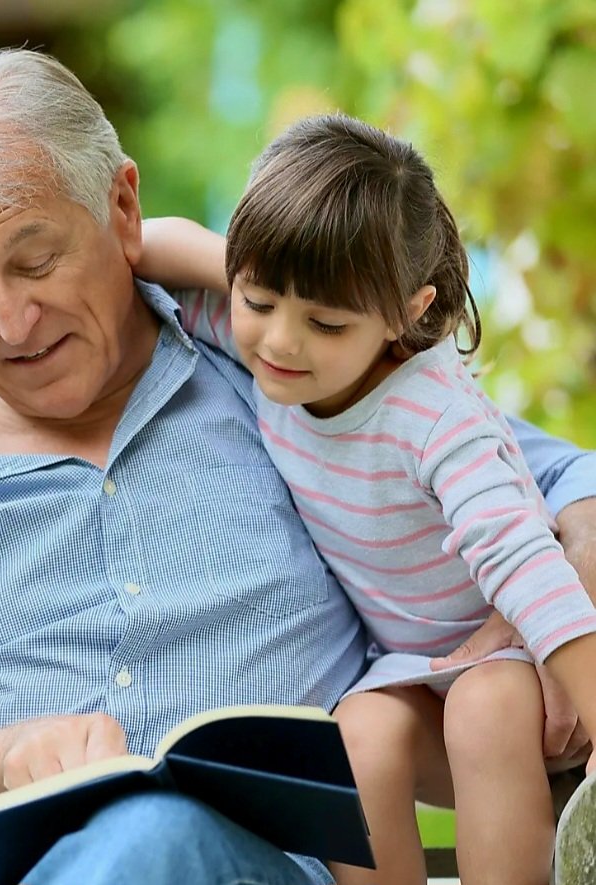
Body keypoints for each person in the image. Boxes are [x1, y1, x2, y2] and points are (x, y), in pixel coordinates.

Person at [0, 49, 596, 885]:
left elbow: (554, 481)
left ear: (124, 208)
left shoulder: (278, 375)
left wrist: (527, 621)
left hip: (249, 864)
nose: (10, 322)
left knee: (156, 837)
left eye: (36, 261)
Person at [130, 113, 596, 885]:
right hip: (415, 670)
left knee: (485, 707)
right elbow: (141, 248)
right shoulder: (261, 344)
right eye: (260, 297)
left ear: (407, 313)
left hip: (531, 665)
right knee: (356, 741)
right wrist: (274, 263)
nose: (281, 340)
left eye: (324, 319)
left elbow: (525, 563)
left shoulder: (435, 417)